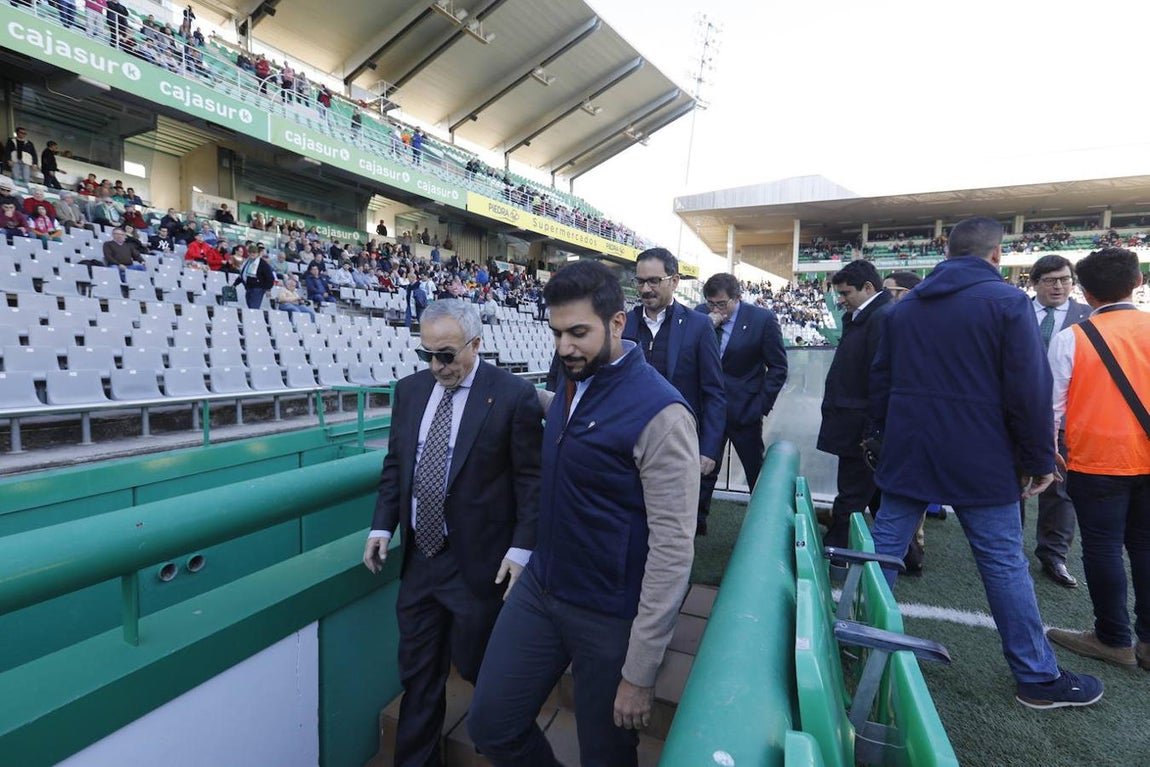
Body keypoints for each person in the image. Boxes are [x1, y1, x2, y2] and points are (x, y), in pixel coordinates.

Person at [469, 260, 698, 767]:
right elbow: (571, 418)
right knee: (490, 724)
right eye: (556, 333)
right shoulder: (574, 379)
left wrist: (640, 669)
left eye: (578, 333)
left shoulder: (663, 415)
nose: (564, 347)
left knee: (607, 756)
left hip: (610, 616)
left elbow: (674, 550)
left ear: (618, 323)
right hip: (542, 589)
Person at [868, 216, 1103, 709]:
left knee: (884, 549)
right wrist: (1039, 457)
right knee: (1002, 564)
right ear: (996, 255)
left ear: (948, 253)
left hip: (911, 449)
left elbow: (880, 383)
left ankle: (858, 642)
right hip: (982, 456)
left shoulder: (904, 309)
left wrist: (891, 436)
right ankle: (1036, 678)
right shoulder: (1007, 302)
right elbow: (1028, 390)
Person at [363, 300, 542, 767]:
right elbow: (397, 465)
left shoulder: (512, 395)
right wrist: (383, 525)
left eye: (446, 354)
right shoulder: (409, 391)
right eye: (427, 354)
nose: (436, 366)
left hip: (480, 565)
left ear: (476, 344)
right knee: (418, 675)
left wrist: (521, 549)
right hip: (420, 561)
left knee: (486, 672)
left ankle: (503, 751)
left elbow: (530, 480)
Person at [1045, 247, 1150, 670]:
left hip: (1096, 459)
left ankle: (1113, 637)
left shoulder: (1071, 337)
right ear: (1138, 282)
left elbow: (1049, 408)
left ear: (1085, 294)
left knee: (1103, 547)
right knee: (1144, 545)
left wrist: (1046, 454)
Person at [624, 247, 725, 535]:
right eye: (640, 281)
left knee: (671, 528)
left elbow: (714, 392)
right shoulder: (623, 323)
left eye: (654, 281)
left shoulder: (698, 326)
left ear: (675, 281)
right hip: (628, 442)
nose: (646, 288)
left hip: (678, 446)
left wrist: (709, 448)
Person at [695, 272, 787, 534]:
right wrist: (706, 324)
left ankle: (765, 526)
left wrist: (759, 406)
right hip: (708, 410)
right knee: (703, 468)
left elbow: (778, 367)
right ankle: (696, 522)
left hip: (744, 410)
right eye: (711, 303)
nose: (715, 309)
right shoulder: (700, 316)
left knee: (754, 469)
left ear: (737, 298)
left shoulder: (761, 319)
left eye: (721, 304)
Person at [1028, 254, 1092, 588]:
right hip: (1018, 414)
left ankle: (1054, 554)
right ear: (1035, 282)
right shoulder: (1017, 312)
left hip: (1068, 416)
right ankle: (1008, 546)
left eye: (1065, 279)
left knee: (1060, 488)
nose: (1058, 286)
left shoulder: (1088, 317)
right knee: (1012, 483)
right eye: (1050, 280)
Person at [819, 260, 892, 549]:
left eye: (847, 293)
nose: (841, 300)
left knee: (851, 495)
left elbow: (881, 378)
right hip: (858, 425)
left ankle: (835, 551)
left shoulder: (881, 318)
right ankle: (908, 556)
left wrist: (872, 432)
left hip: (862, 430)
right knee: (873, 496)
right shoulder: (867, 317)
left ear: (868, 288)